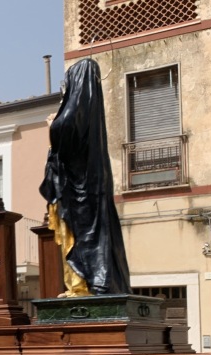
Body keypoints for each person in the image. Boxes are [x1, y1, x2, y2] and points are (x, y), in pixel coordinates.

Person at [38, 58, 130, 297]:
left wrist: (51, 127)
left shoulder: (75, 115)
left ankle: (81, 286)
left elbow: (62, 134)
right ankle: (82, 285)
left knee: (78, 238)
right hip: (89, 193)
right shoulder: (94, 120)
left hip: (79, 197)